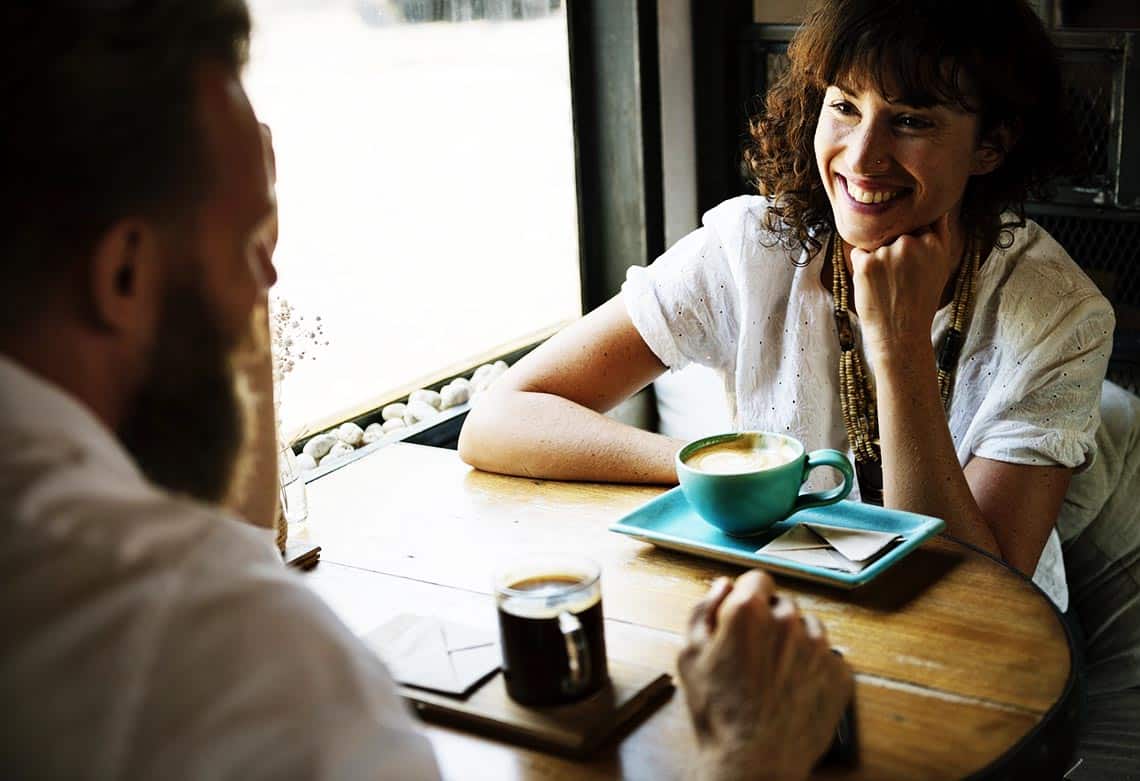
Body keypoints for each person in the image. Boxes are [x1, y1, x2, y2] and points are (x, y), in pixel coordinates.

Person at [0, 2, 851, 779]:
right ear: (123, 273)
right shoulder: (232, 650)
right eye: (249, 245)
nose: (270, 283)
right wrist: (749, 754)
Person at [459, 0, 1115, 615]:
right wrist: (727, 476)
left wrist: (899, 343)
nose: (862, 157)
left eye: (912, 119)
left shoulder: (1062, 315)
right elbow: (498, 419)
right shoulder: (753, 249)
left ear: (990, 145)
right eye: (846, 106)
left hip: (991, 654)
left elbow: (977, 593)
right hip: (785, 613)